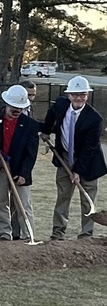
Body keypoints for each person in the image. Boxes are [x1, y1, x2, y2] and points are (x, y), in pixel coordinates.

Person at [41, 75, 107, 239]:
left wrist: (77, 171)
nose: (79, 98)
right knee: (63, 196)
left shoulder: (94, 119)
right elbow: (51, 115)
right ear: (69, 95)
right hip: (64, 158)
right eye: (75, 94)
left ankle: (86, 234)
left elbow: (89, 149)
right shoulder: (60, 105)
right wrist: (46, 131)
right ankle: (58, 232)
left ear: (87, 95)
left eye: (82, 94)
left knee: (87, 198)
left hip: (88, 163)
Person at [0, 85, 39, 242]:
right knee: (2, 203)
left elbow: (31, 153)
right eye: (15, 107)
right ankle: (4, 234)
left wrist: (24, 173)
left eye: (21, 108)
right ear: (7, 103)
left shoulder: (30, 124)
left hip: (19, 168)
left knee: (23, 204)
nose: (17, 111)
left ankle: (28, 234)